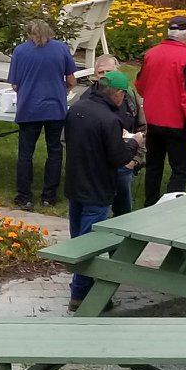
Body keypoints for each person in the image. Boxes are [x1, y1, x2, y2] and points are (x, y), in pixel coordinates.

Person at [63, 72, 139, 310]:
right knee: (89, 245)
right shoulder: (109, 120)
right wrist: (135, 142)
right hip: (97, 189)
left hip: (75, 184)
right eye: (123, 95)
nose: (123, 99)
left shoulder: (76, 109)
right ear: (117, 93)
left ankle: (79, 285)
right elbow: (119, 158)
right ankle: (80, 296)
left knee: (78, 241)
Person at [7, 19, 79, 211]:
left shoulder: (20, 51)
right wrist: (61, 89)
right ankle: (49, 196)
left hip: (29, 107)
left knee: (25, 153)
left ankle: (24, 196)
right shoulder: (61, 49)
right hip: (55, 107)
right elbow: (72, 80)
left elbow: (14, 84)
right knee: (54, 151)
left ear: (28, 34)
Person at [135, 14, 186, 208]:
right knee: (180, 169)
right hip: (177, 124)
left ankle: (149, 206)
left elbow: (140, 85)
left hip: (154, 122)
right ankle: (170, 209)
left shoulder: (151, 54)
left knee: (153, 166)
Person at [92, 53, 145, 216]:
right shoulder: (85, 100)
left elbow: (143, 129)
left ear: (118, 71)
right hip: (97, 166)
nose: (106, 77)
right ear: (95, 75)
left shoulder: (129, 97)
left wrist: (135, 160)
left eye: (110, 71)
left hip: (124, 164)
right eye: (101, 73)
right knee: (95, 212)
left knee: (124, 213)